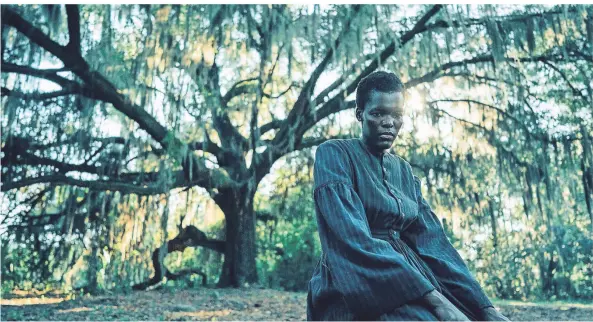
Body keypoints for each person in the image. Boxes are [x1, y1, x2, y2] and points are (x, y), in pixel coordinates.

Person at [306, 71, 510, 321]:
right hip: (354, 279)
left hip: (416, 278)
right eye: (378, 113)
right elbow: (352, 240)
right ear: (360, 115)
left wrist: (485, 308)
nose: (389, 122)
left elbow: (435, 245)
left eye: (397, 115)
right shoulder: (335, 154)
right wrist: (436, 301)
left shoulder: (404, 172)